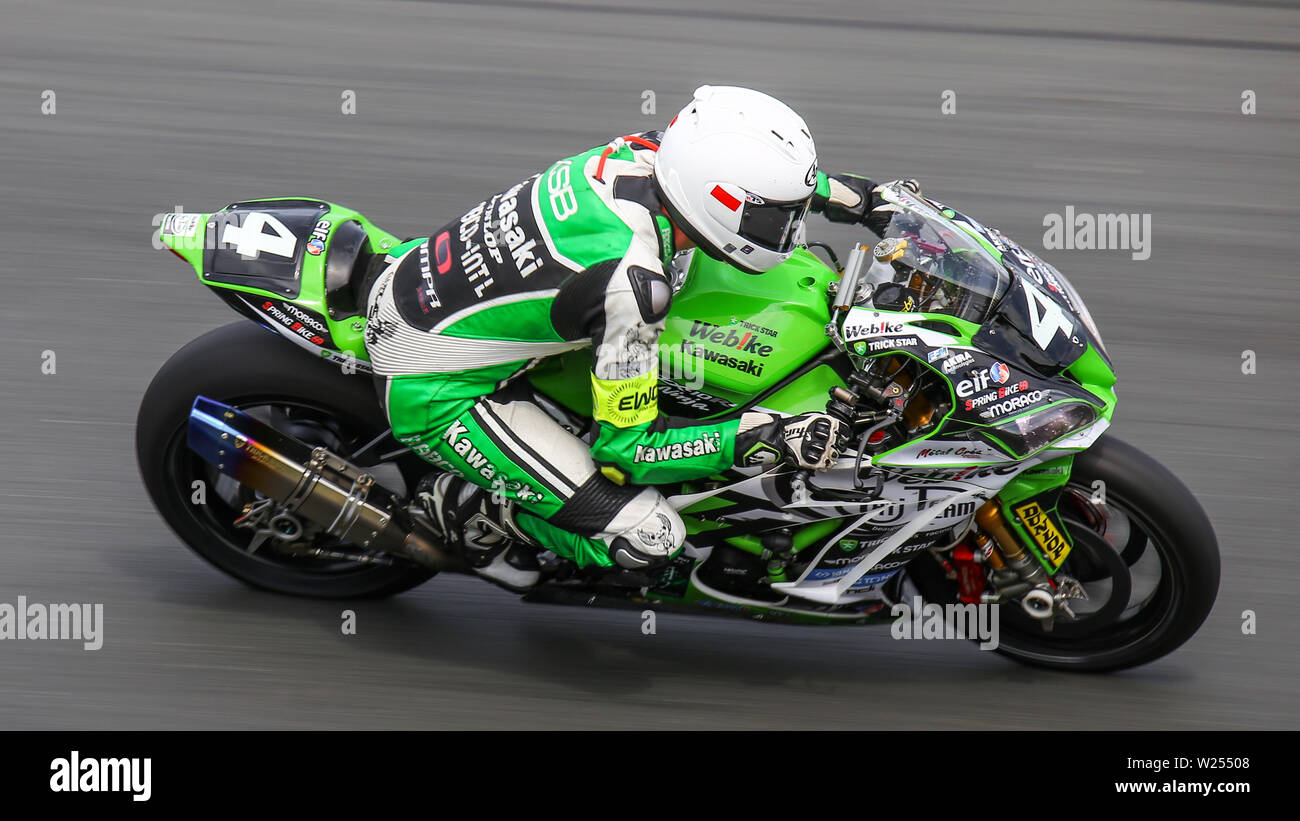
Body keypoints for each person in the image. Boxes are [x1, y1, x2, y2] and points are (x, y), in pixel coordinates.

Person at [363, 85, 899, 590]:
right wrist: (764, 435)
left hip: (429, 280)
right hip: (436, 389)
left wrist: (854, 198)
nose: (790, 231)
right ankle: (474, 509)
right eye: (775, 218)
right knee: (653, 536)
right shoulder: (633, 288)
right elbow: (629, 452)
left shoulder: (653, 150)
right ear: (719, 202)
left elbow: (746, 169)